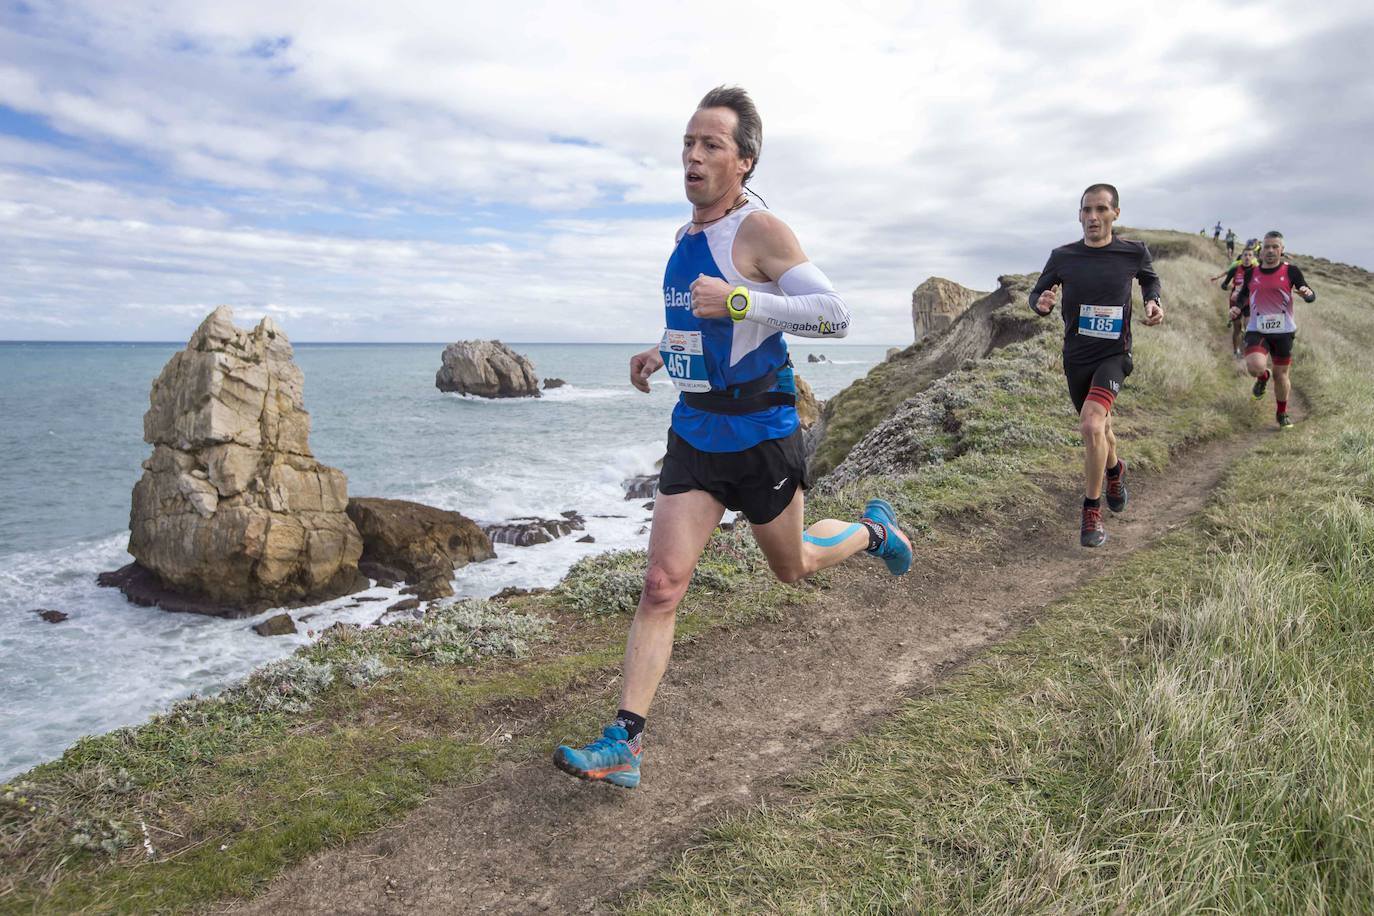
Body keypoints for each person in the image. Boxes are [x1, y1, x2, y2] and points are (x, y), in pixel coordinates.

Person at [552, 86, 913, 789]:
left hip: (761, 431)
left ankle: (873, 531)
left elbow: (834, 317)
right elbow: (704, 322)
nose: (692, 155)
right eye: (688, 142)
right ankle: (623, 741)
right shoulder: (685, 238)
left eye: (710, 144)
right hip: (695, 428)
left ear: (744, 161)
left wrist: (745, 297)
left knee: (793, 566)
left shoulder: (761, 231)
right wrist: (663, 349)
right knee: (661, 584)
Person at [1028, 184, 1164, 548]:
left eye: (1101, 209)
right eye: (1087, 210)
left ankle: (1091, 510)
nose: (1093, 217)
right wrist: (1040, 302)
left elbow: (1150, 278)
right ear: (1079, 215)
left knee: (1089, 424)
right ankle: (1115, 470)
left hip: (1114, 356)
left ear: (1115, 214)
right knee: (1100, 432)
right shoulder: (1063, 256)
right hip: (1076, 358)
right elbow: (1036, 293)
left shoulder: (1132, 252)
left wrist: (1152, 301)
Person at [1230, 230, 1316, 429]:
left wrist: (1307, 294)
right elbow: (1243, 295)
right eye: (1267, 247)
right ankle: (1262, 377)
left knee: (1281, 375)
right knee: (1254, 366)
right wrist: (1236, 307)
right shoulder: (1252, 272)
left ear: (1282, 250)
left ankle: (1282, 413)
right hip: (1256, 328)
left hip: (1283, 331)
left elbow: (1308, 292)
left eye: (1275, 247)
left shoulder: (1291, 271)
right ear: (1261, 251)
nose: (1270, 250)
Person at [1212, 248, 1258, 356]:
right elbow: (1223, 285)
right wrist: (1231, 288)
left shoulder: (1257, 270)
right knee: (1237, 327)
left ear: (1253, 258)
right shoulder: (1235, 269)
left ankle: (1248, 349)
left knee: (1249, 328)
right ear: (1241, 257)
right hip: (1235, 302)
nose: (1247, 257)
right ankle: (1236, 351)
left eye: (1250, 255)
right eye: (1245, 255)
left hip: (1249, 303)